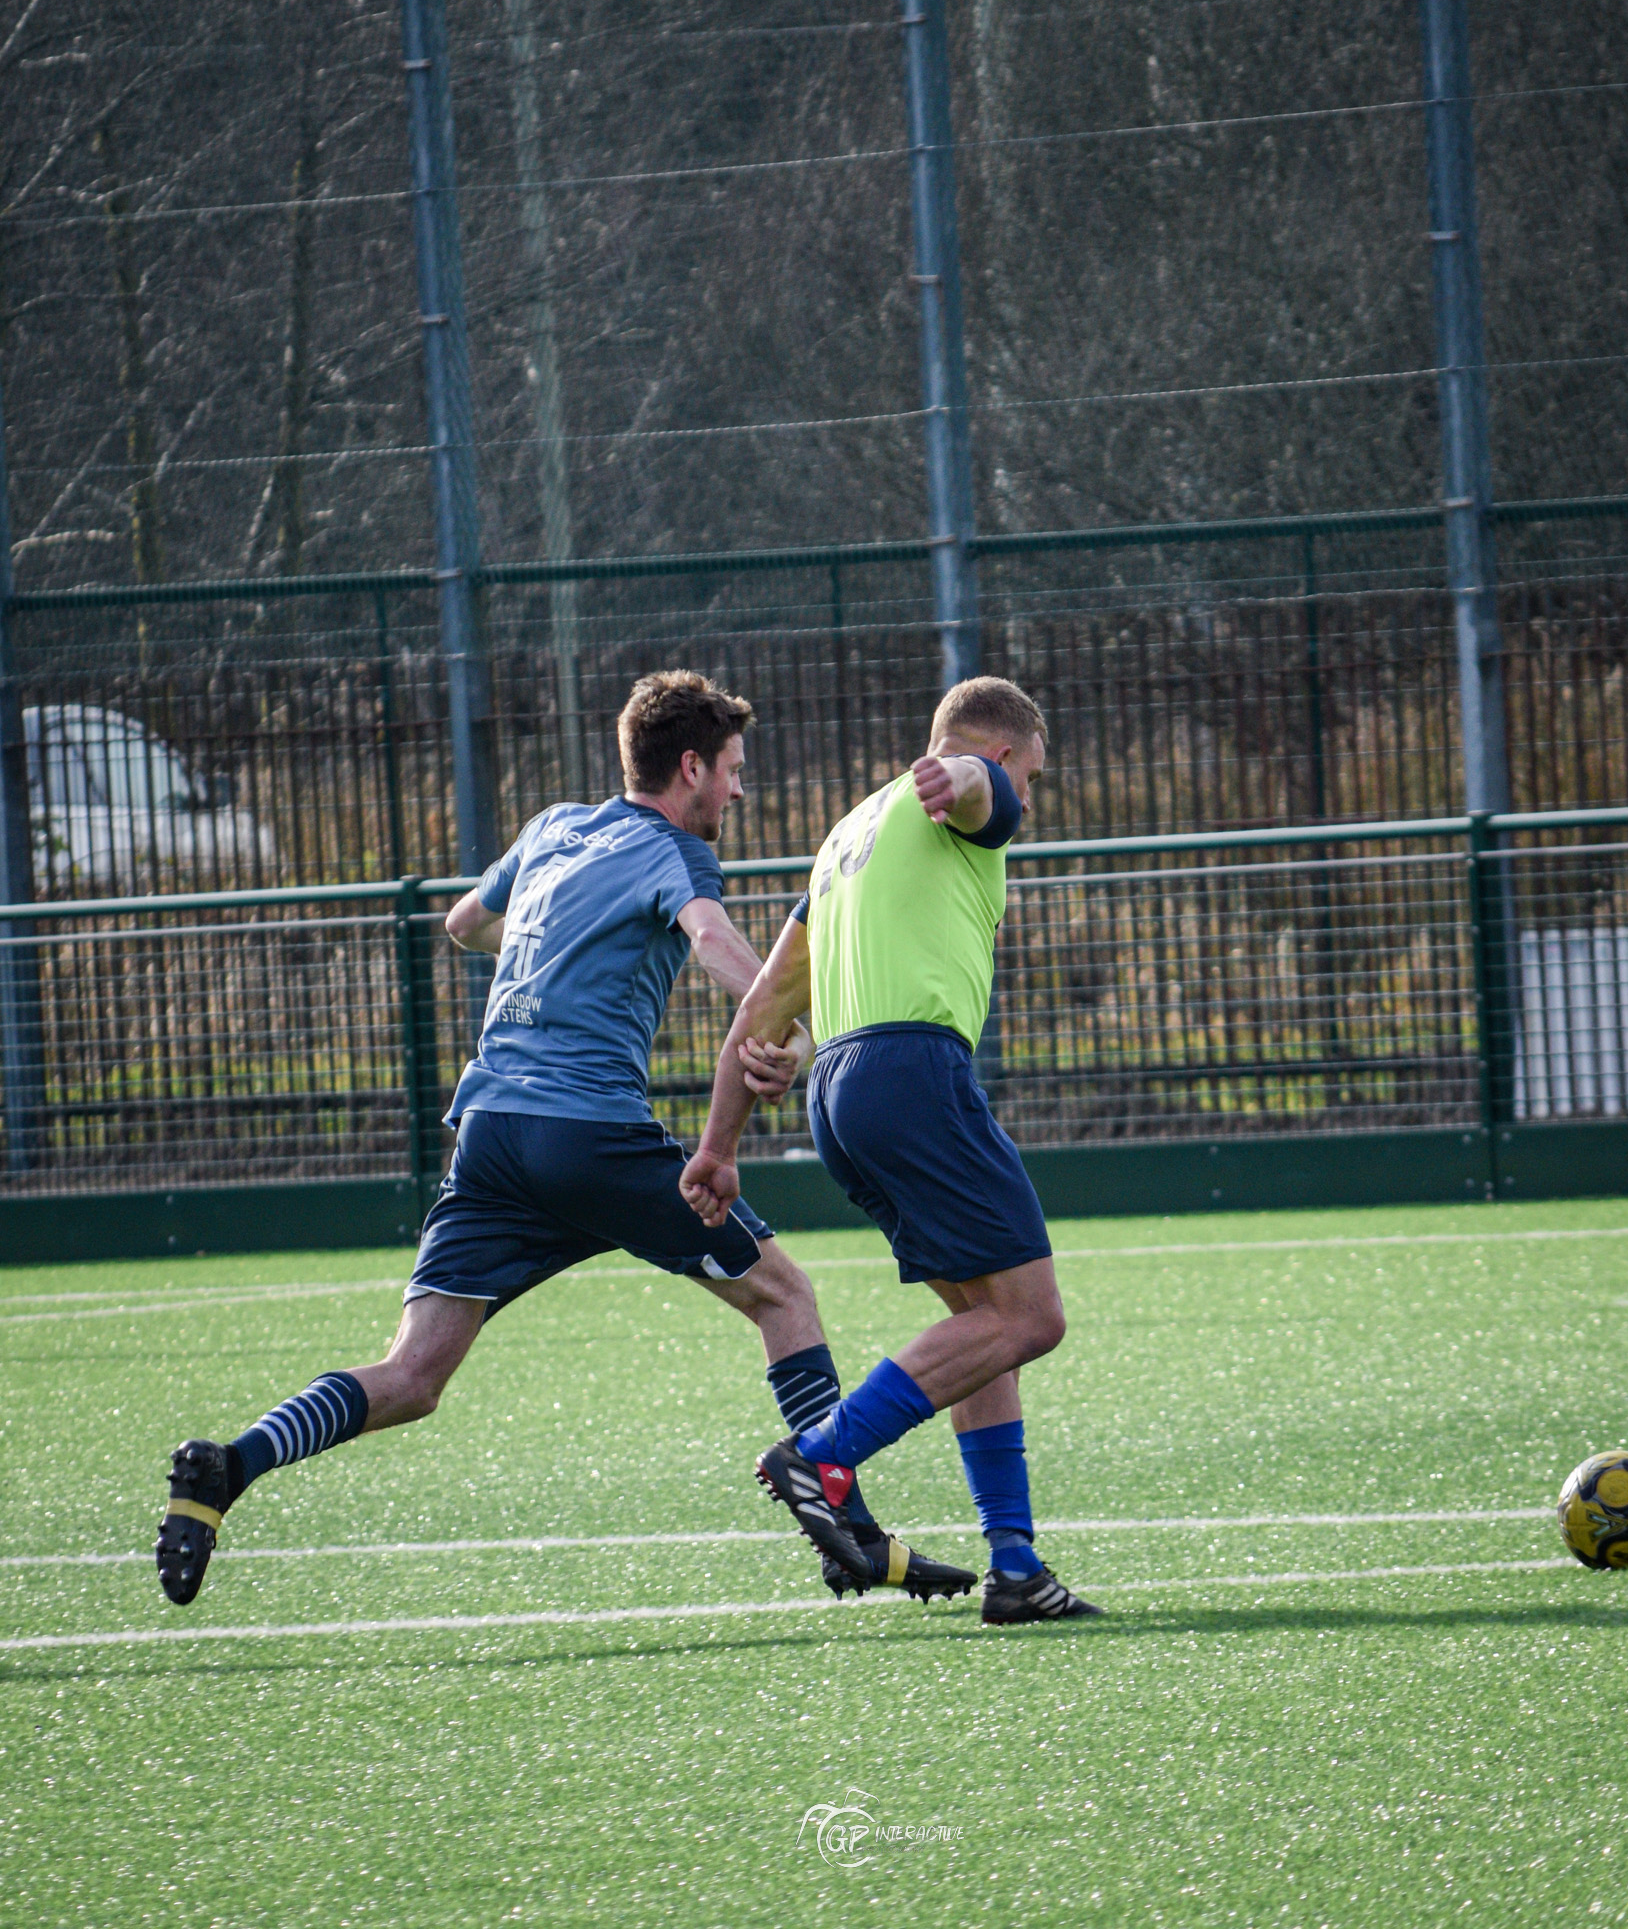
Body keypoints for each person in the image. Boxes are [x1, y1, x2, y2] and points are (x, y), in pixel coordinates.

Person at [154, 670, 973, 1610]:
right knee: (783, 1294)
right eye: (733, 770)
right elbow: (712, 943)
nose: (740, 791)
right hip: (586, 1133)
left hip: (490, 1136)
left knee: (414, 1374)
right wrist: (799, 1028)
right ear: (691, 767)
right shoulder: (676, 851)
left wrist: (554, 949)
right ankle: (848, 1529)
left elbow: (465, 923)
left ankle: (229, 1465)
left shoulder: (553, 828)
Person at [683, 675, 1101, 1626]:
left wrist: (718, 1148)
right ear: (1002, 753)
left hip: (838, 1092)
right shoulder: (962, 795)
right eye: (1031, 776)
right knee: (1032, 1318)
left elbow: (764, 1007)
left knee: (983, 1324)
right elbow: (980, 789)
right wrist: (967, 777)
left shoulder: (845, 839)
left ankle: (1016, 1566)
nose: (1028, 797)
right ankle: (820, 1455)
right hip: (913, 1073)